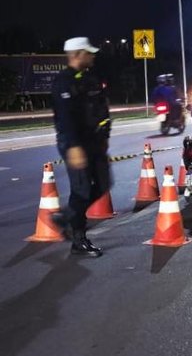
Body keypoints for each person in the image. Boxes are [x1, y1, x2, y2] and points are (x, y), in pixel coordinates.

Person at [51, 37, 111, 257]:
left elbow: (103, 109)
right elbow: (65, 118)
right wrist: (74, 147)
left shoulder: (90, 79)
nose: (92, 56)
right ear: (76, 55)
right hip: (74, 144)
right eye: (89, 52)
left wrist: (105, 134)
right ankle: (79, 240)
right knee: (82, 190)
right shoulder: (63, 82)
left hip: (95, 143)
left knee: (104, 184)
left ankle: (67, 217)